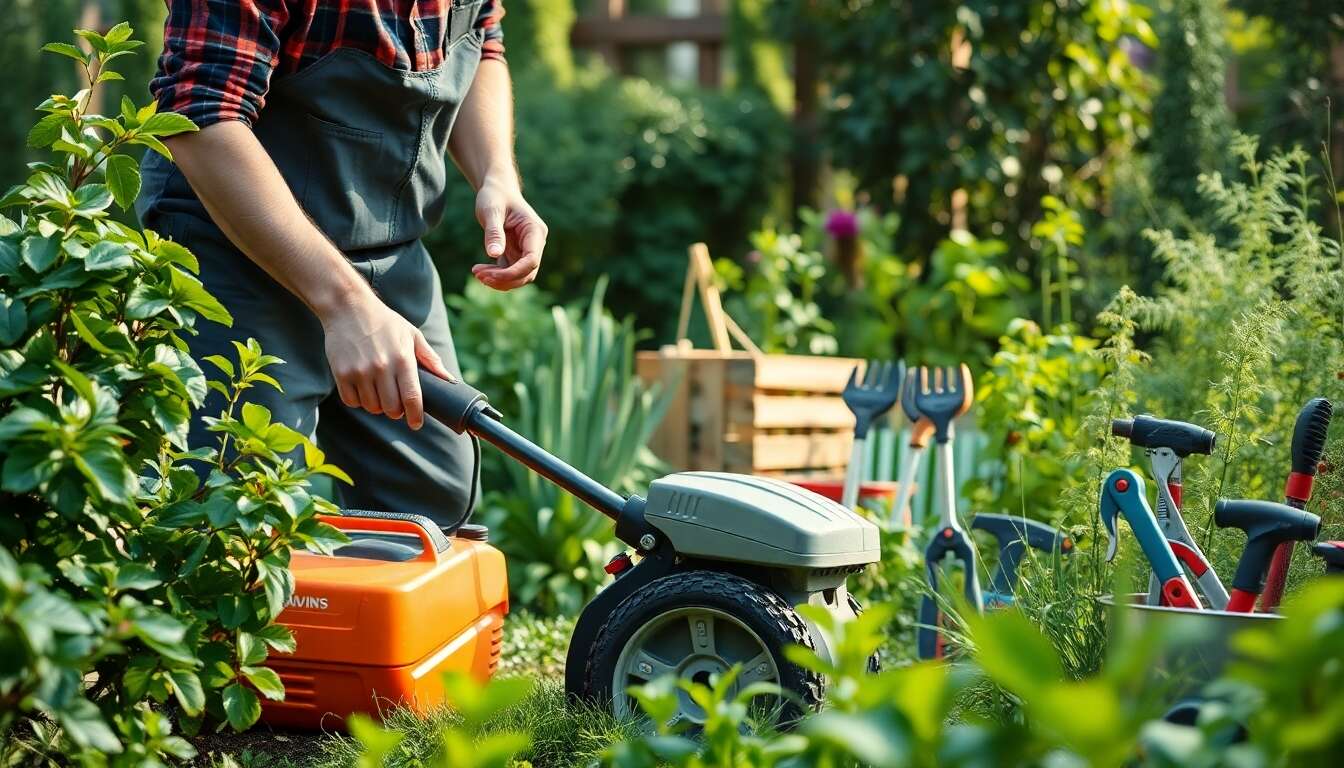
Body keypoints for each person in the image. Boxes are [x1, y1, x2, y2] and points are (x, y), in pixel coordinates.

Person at [137, 0, 546, 529]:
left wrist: (497, 175)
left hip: (390, 246)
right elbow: (200, 116)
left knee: (433, 496)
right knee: (231, 510)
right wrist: (346, 307)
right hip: (232, 251)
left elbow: (483, 40)